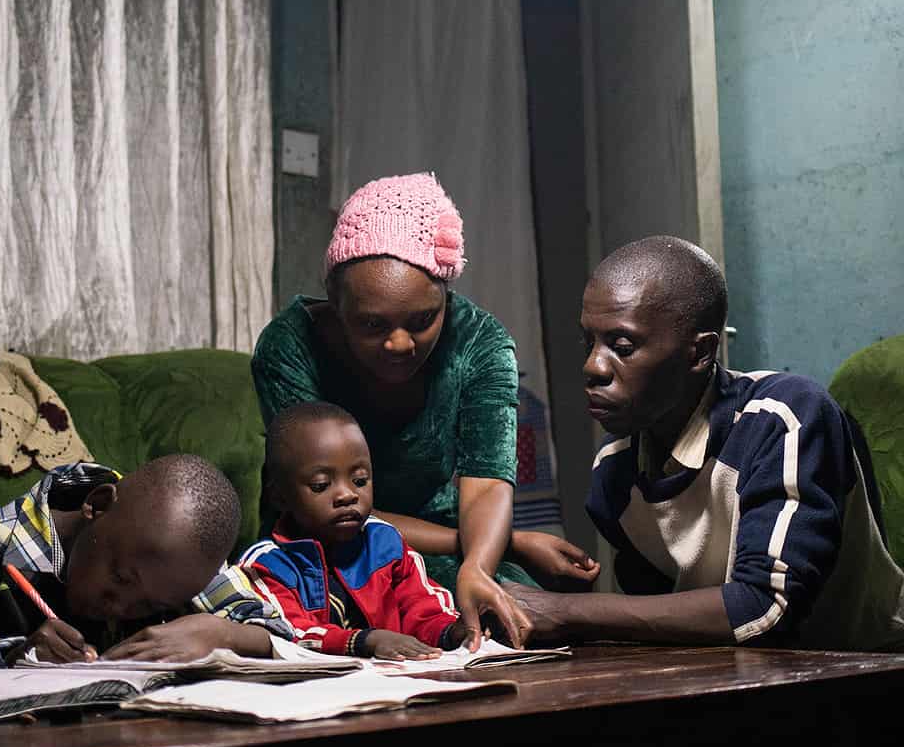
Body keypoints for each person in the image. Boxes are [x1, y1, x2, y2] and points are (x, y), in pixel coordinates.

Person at [503, 235, 904, 651]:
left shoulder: (784, 417)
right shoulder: (615, 472)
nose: (593, 367)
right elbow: (658, 621)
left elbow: (765, 607)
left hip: (865, 669)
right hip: (736, 678)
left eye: (622, 347)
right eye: (589, 343)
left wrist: (563, 611)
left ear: (701, 352)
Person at [251, 171, 599, 650]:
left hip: (443, 542)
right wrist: (507, 542)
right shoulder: (291, 346)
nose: (398, 344)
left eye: (422, 321)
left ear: (446, 298)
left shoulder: (480, 343)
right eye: (372, 324)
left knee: (518, 616)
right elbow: (320, 502)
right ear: (336, 304)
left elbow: (486, 486)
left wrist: (479, 564)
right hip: (323, 544)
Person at [0, 454, 293, 673]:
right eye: (120, 579)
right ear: (96, 506)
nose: (120, 608)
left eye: (149, 608)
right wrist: (13, 654)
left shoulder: (184, 553)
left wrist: (218, 633)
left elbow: (282, 633)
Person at [240, 400, 466, 660]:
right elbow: (288, 632)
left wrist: (452, 632)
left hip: (397, 683)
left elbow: (423, 608)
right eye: (321, 485)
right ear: (280, 497)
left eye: (359, 481)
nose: (347, 495)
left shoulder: (385, 542)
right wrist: (365, 641)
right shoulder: (267, 564)